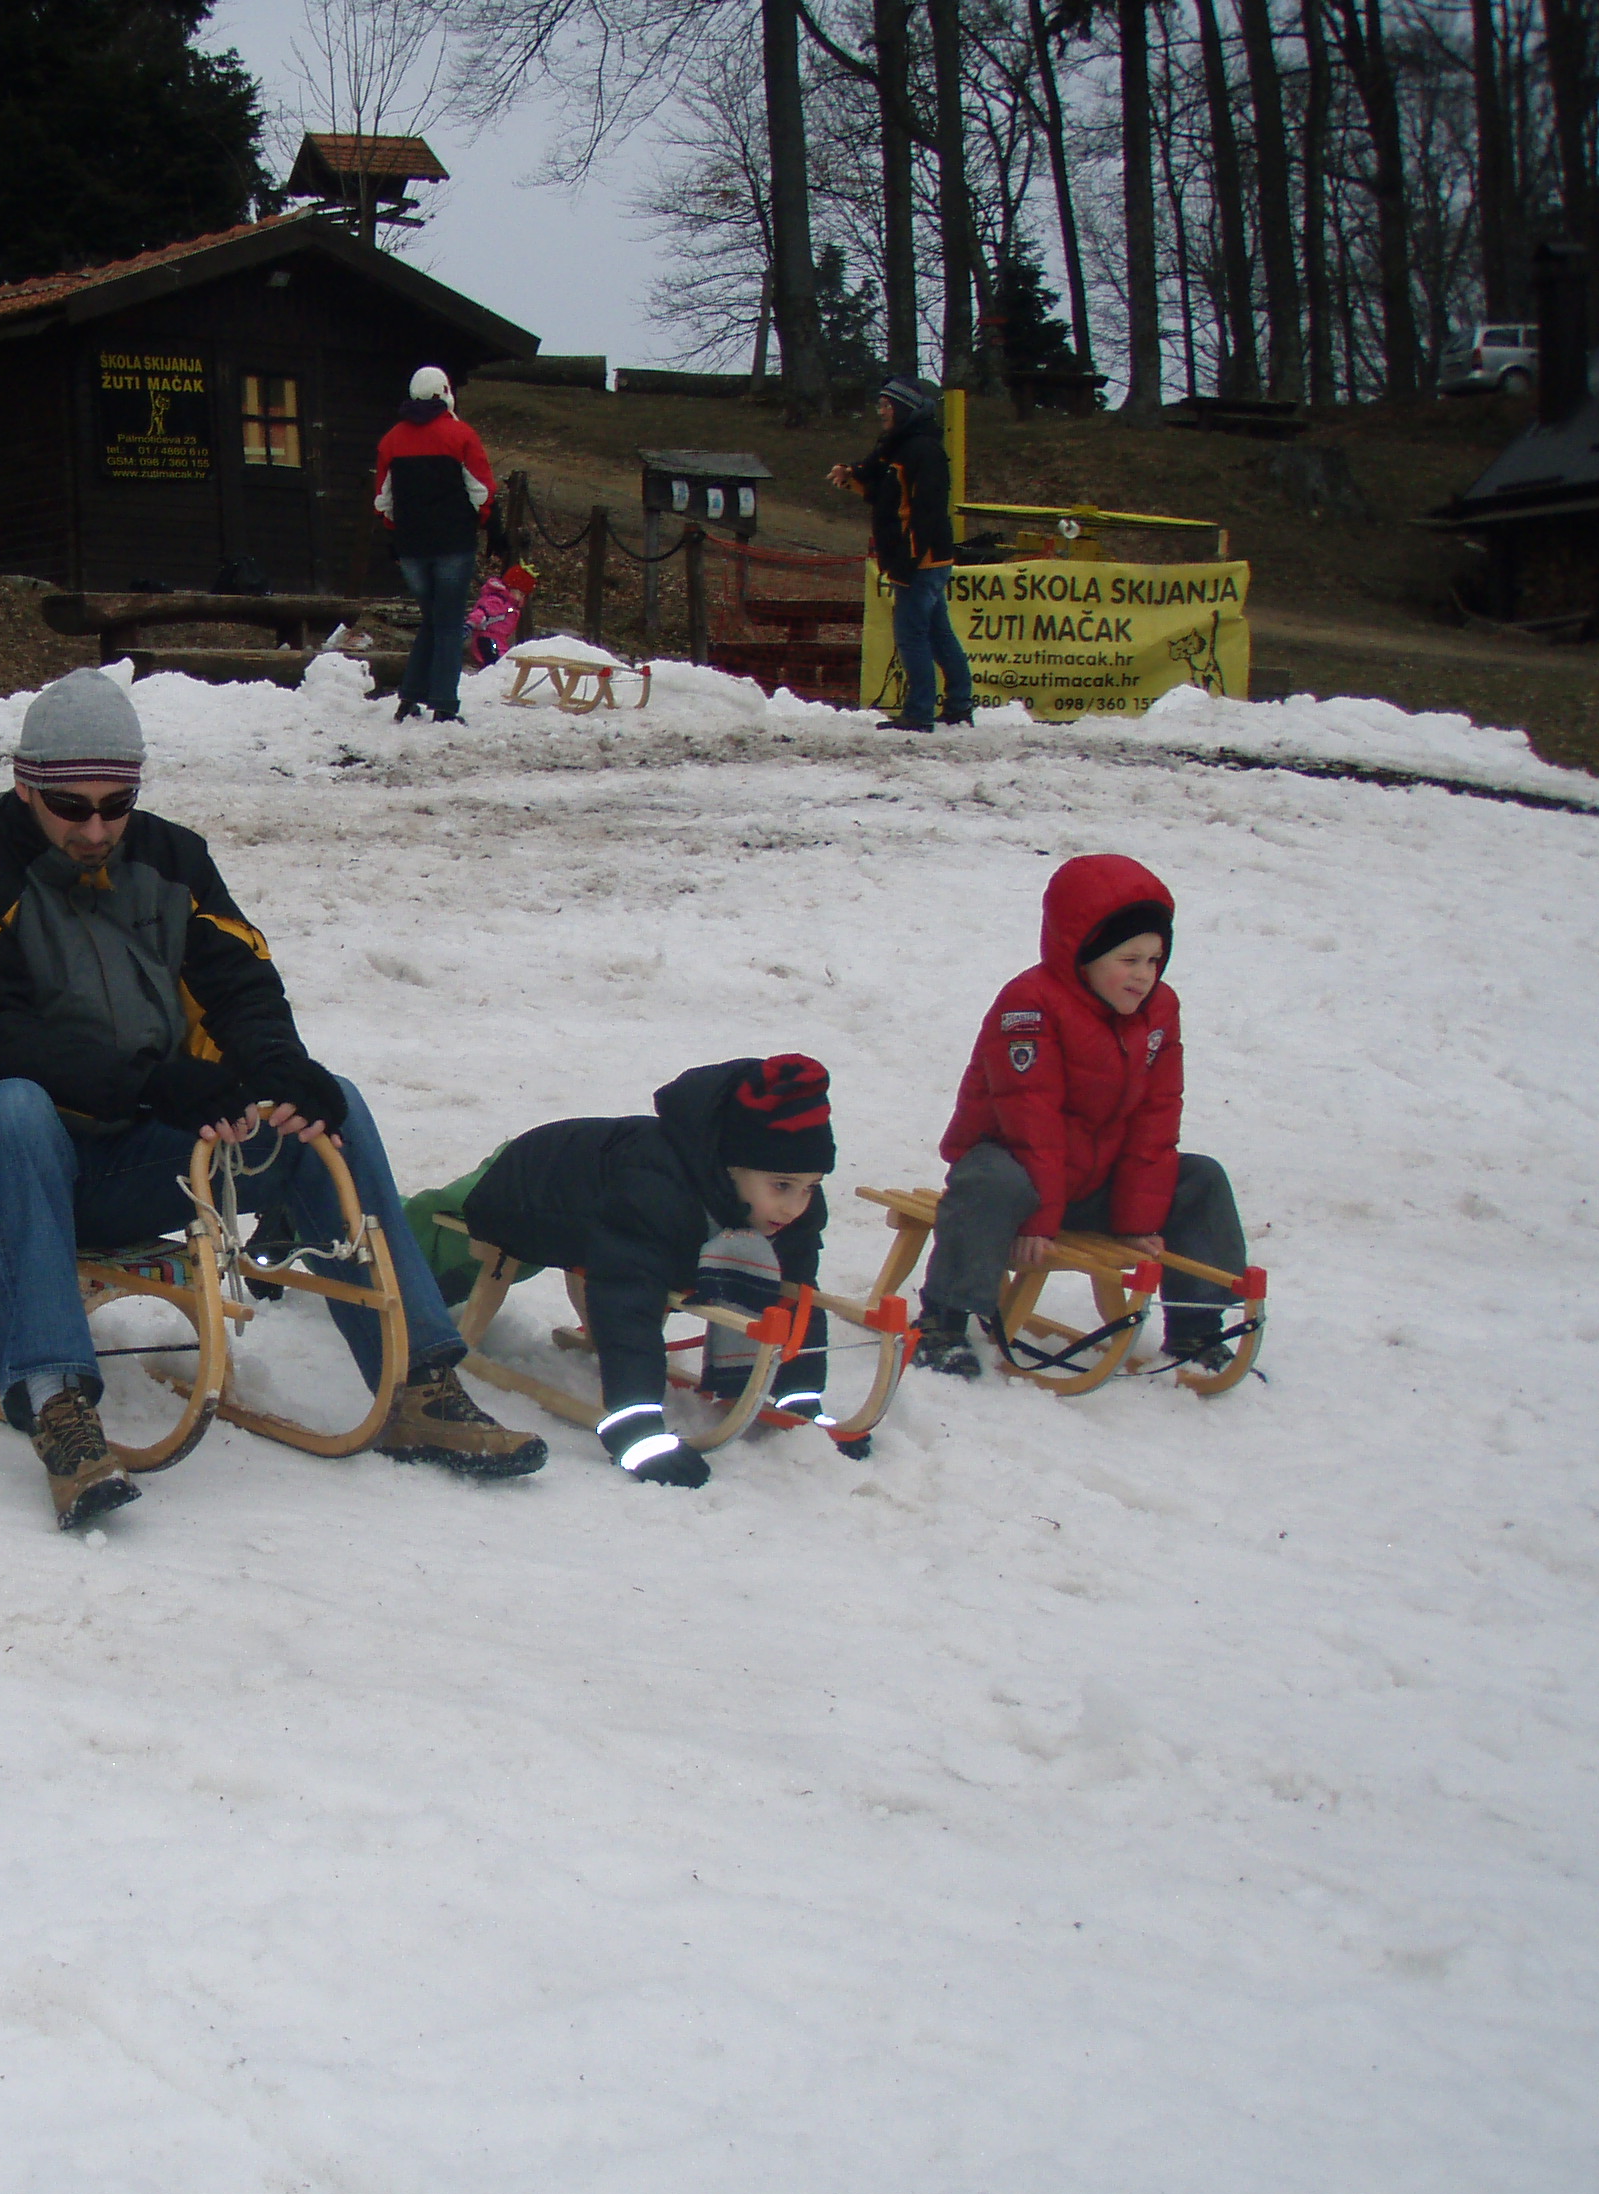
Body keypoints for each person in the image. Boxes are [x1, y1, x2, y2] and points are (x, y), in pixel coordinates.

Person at [0, 669, 549, 1528]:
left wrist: (276, 1067)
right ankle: (57, 1404)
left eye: (116, 806)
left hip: (116, 1158)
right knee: (17, 1108)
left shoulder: (172, 860)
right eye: (71, 807)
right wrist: (155, 1084)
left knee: (329, 1110)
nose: (96, 828)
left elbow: (238, 985)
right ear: (24, 785)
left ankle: (417, 1382)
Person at [409, 1057, 843, 1488]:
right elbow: (627, 1300)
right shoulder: (655, 1192)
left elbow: (796, 1295)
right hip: (528, 1185)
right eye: (782, 1186)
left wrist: (798, 1396)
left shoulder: (790, 1212)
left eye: (811, 1187)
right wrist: (636, 1427)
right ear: (730, 1166)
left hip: (598, 1194)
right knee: (430, 1237)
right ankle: (393, 1257)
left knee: (629, 1255)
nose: (795, 1206)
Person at [910, 854, 1249, 1378]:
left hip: (1093, 1179)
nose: (1144, 975)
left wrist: (1137, 1222)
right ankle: (944, 1322)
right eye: (1128, 959)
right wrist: (1038, 1221)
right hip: (1018, 1180)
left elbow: (1156, 1117)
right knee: (990, 1180)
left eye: (1154, 960)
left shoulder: (1159, 1011)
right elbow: (1031, 1119)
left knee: (1200, 1178)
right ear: (1083, 952)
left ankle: (1197, 1327)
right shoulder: (1029, 1004)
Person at [830, 376, 974, 733]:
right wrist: (851, 475)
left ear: (904, 409)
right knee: (939, 634)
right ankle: (958, 705)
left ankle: (920, 712)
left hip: (919, 559)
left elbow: (926, 511)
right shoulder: (899, 445)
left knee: (912, 637)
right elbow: (879, 485)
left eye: (887, 405)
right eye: (880, 404)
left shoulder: (921, 451)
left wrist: (908, 562)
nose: (881, 411)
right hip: (923, 558)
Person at [373, 365, 499, 724]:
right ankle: (444, 703)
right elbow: (481, 491)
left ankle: (409, 697)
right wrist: (486, 522)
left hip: (411, 547)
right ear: (445, 393)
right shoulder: (461, 435)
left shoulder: (391, 440)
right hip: (453, 544)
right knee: (448, 625)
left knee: (432, 620)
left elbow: (383, 501)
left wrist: (394, 531)